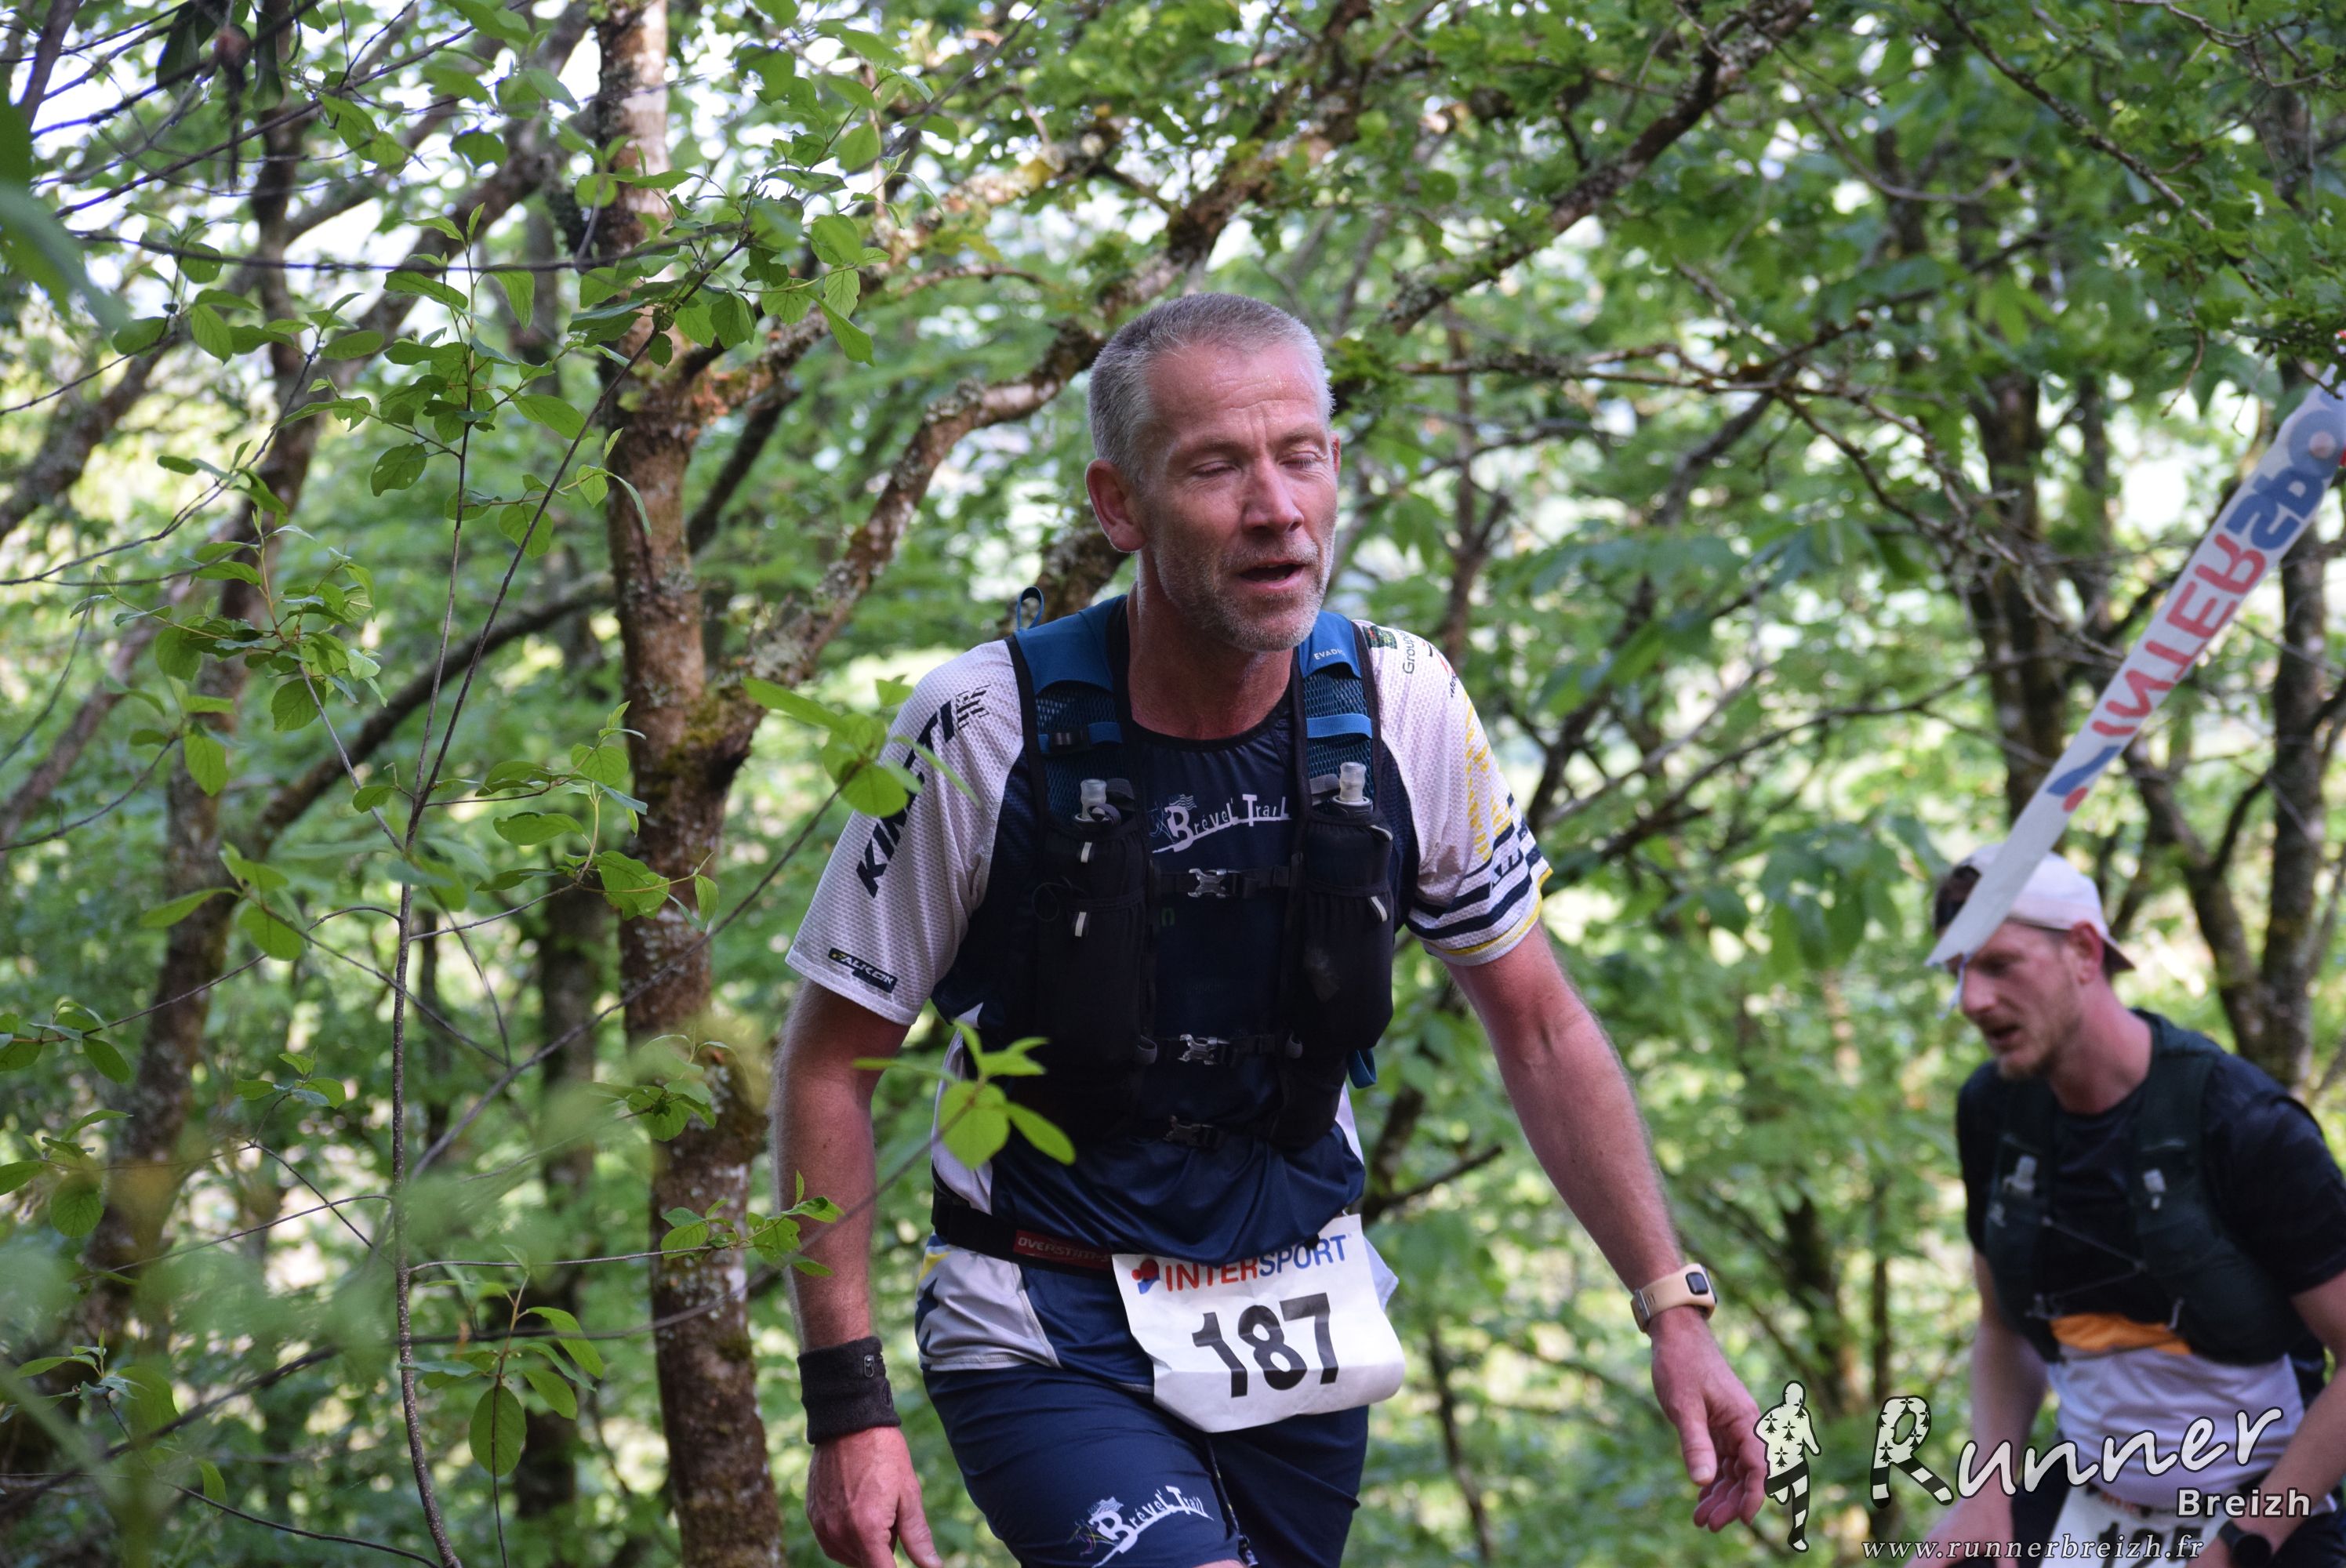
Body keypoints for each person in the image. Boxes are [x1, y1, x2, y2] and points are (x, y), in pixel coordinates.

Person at [772, 292, 1765, 1568]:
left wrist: (1672, 1306)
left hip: (1298, 1311)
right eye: (1214, 468)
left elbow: (1541, 1027)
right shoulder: (981, 730)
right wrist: (847, 1405)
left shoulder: (1402, 703)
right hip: (1042, 1312)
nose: (1276, 508)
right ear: (1119, 506)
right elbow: (829, 1067)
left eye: (1301, 456)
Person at [1924, 845, 2346, 1568]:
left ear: (2084, 952)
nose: (1971, 1000)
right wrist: (1986, 1494)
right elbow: (2002, 1326)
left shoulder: (2244, 1125)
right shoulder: (1995, 1111)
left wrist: (2239, 1546)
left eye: (1998, 965)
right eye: (1958, 971)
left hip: (2262, 1513)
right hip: (2085, 1499)